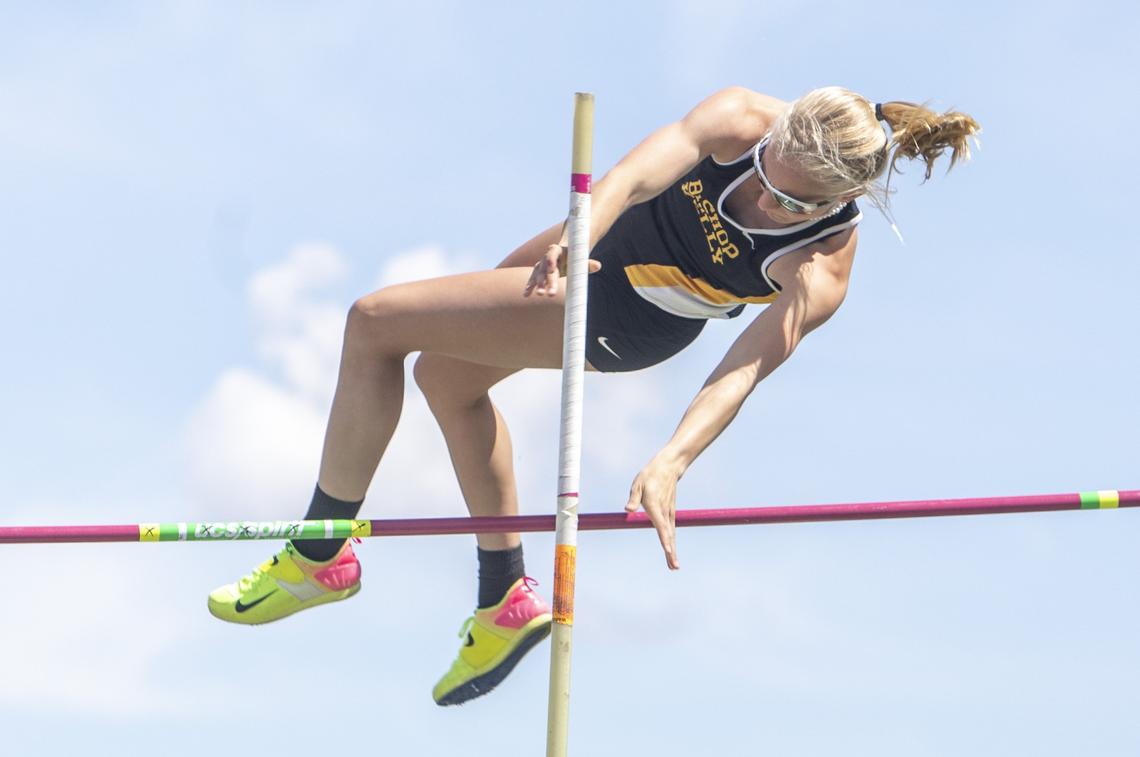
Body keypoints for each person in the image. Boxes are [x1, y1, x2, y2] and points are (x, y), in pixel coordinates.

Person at [206, 86, 980, 705]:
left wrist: (673, 459)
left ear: (827, 209)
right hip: (601, 239)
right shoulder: (742, 117)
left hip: (638, 311)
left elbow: (743, 368)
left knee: (374, 323)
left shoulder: (820, 267)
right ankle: (503, 597)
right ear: (775, 135)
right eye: (770, 173)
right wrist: (579, 233)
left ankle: (318, 554)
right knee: (443, 376)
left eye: (791, 205)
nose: (769, 201)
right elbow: (634, 177)